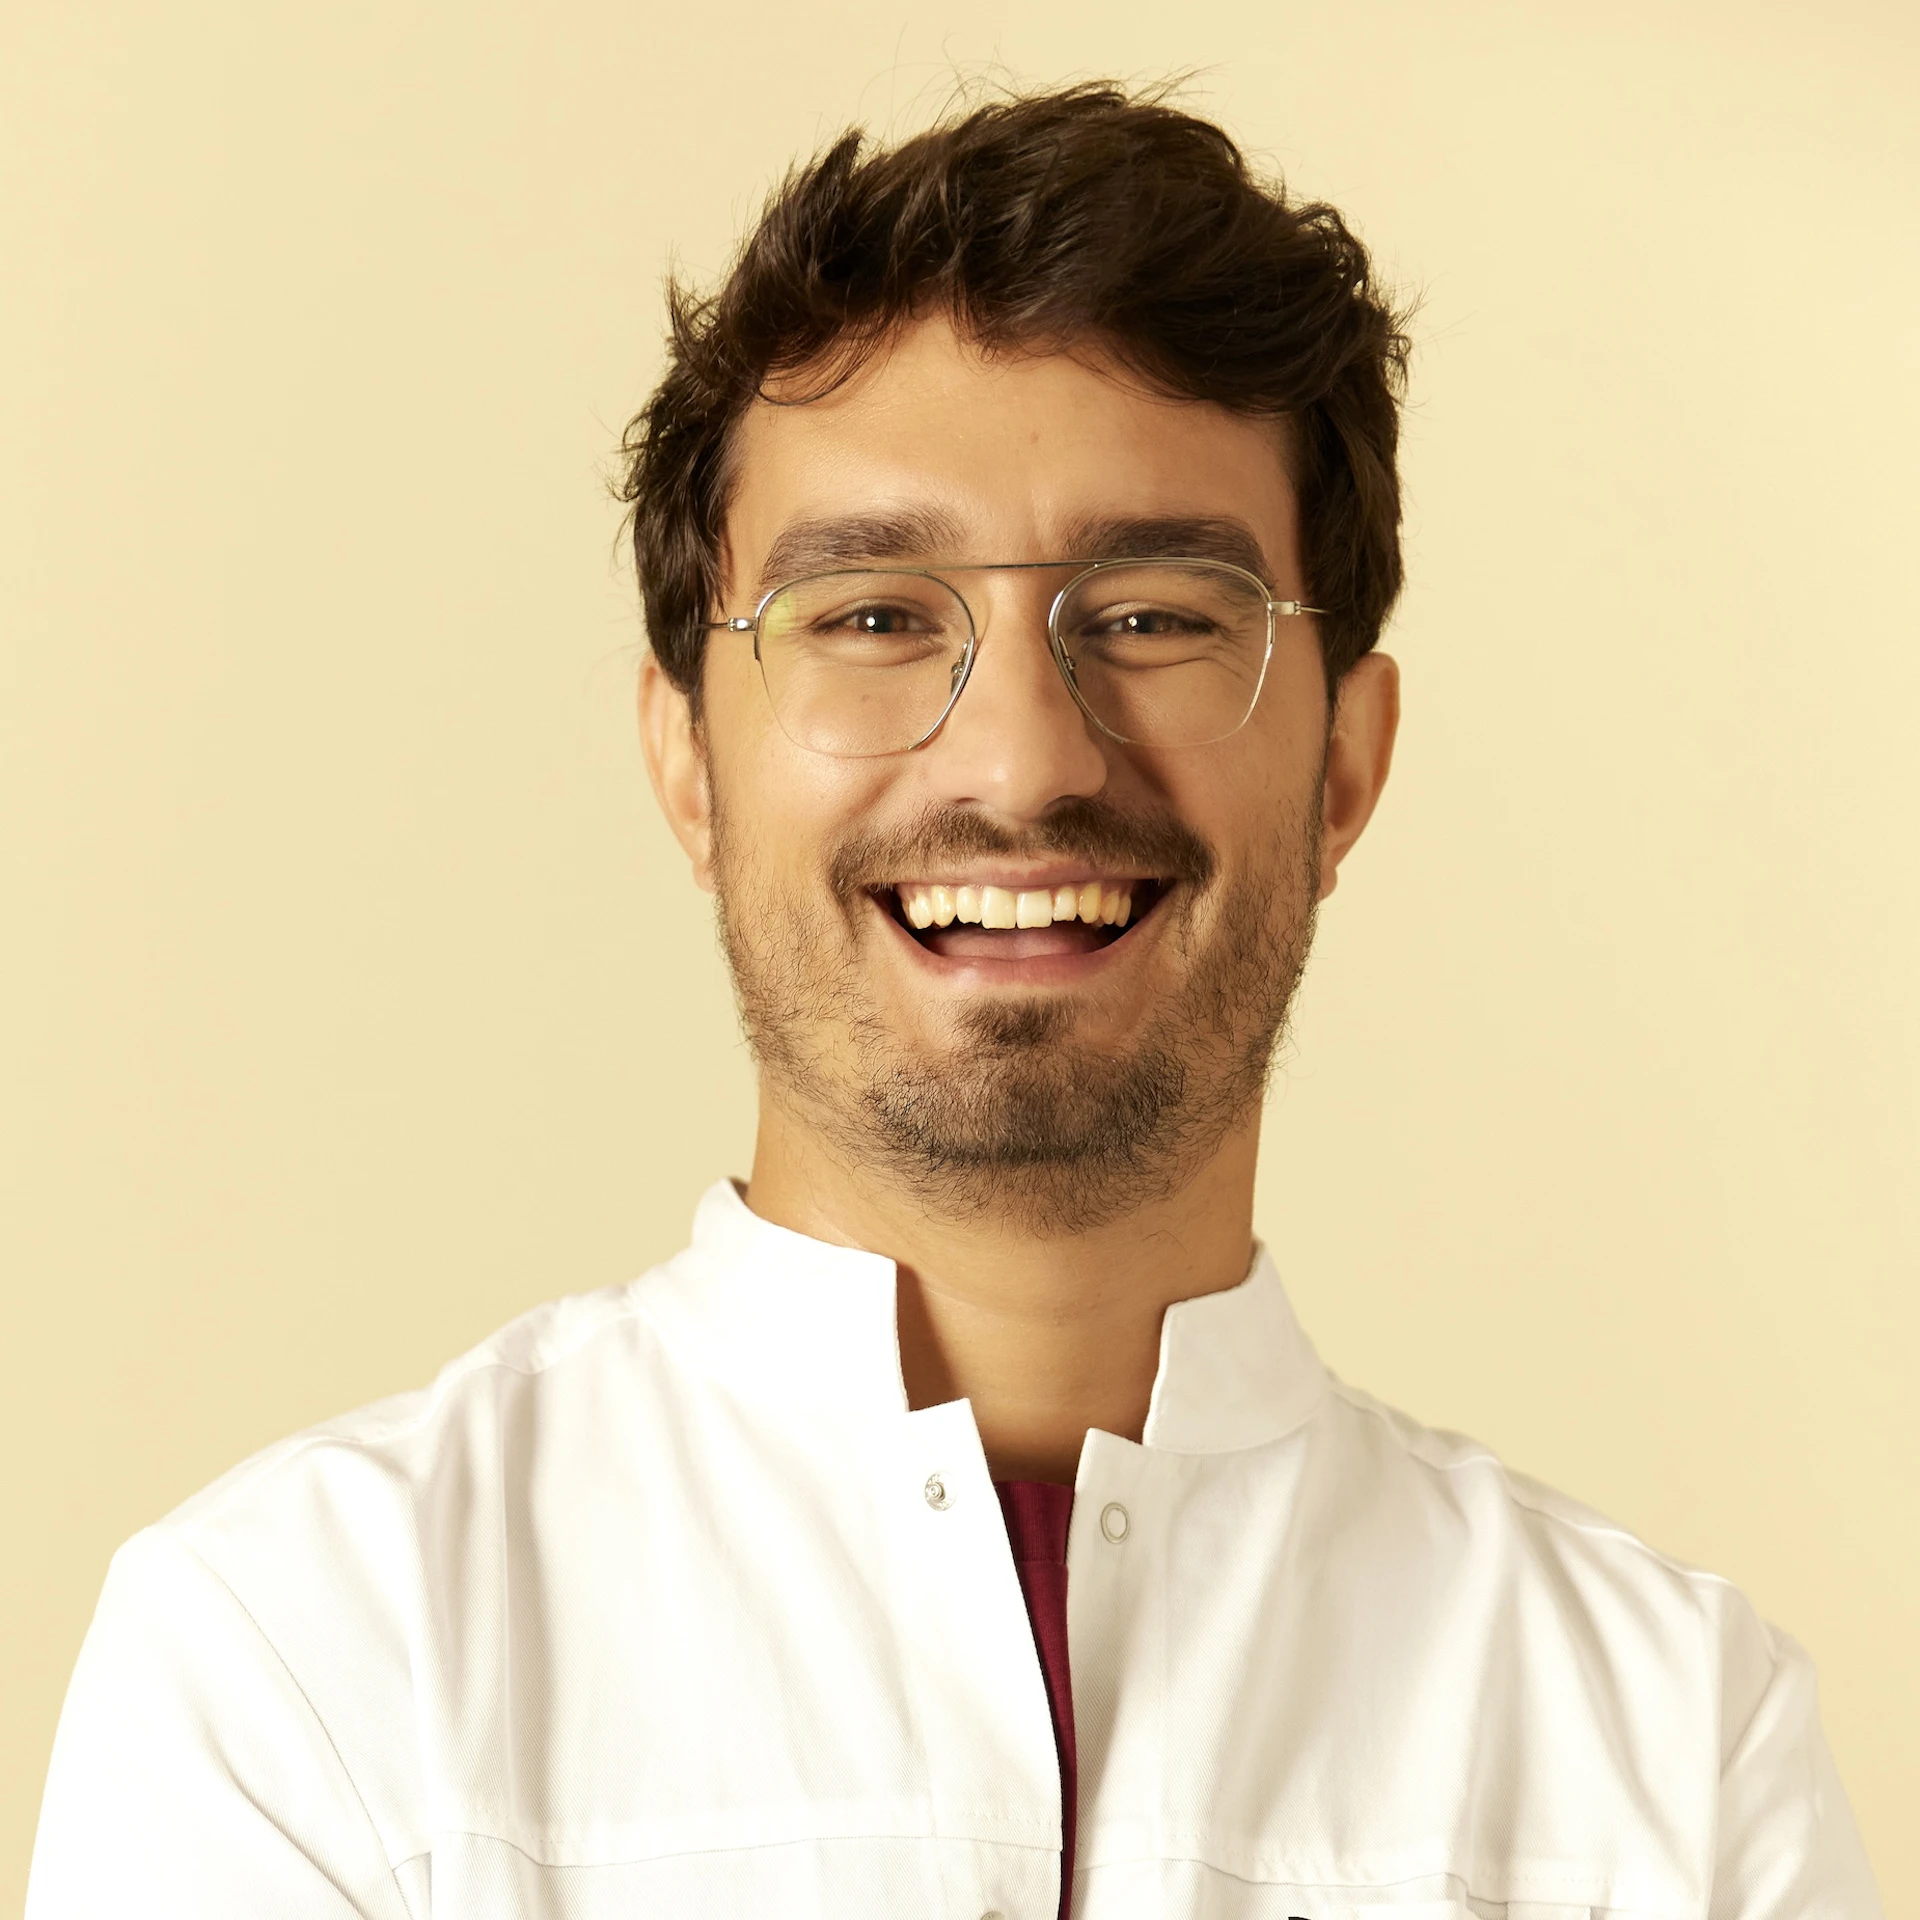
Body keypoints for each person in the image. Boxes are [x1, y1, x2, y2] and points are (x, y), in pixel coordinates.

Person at [27, 83, 1881, 1920]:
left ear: (1344, 765)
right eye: (874, 616)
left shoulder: (1672, 1760)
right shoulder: (308, 1671)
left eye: (1155, 615)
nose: (1022, 757)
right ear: (689, 765)